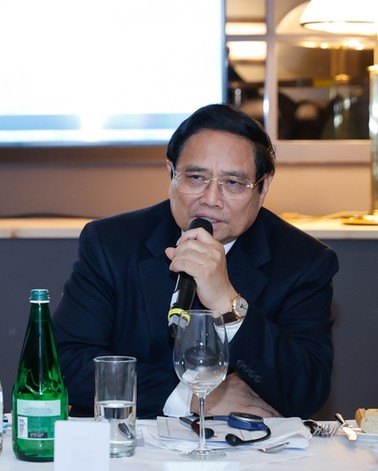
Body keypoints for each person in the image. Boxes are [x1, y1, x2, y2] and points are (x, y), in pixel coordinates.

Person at [52, 103, 338, 420]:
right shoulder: (112, 243)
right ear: (171, 172)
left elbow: (307, 390)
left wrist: (228, 303)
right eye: (196, 177)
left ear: (263, 186)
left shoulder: (303, 261)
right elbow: (62, 363)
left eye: (233, 183)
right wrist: (189, 397)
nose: (211, 199)